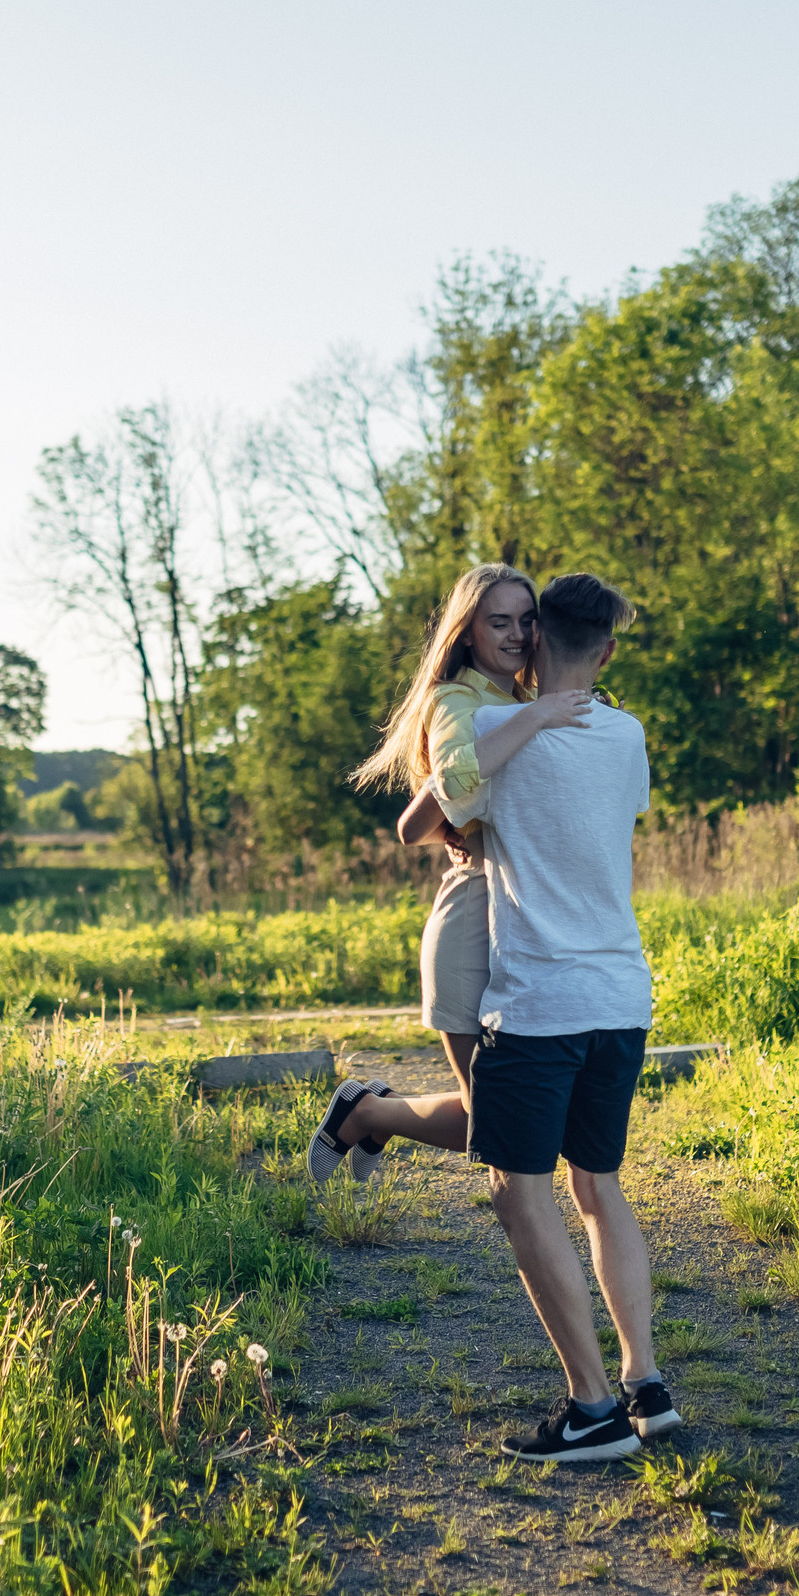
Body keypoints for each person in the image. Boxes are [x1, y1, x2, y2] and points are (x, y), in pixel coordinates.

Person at [422, 572, 680, 1461]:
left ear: (535, 642)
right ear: (606, 650)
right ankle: (646, 1379)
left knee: (516, 1190)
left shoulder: (491, 730)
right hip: (621, 998)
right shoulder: (629, 733)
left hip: (538, 1004)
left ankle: (592, 1409)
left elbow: (441, 808)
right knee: (598, 1185)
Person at [310, 564, 593, 1183]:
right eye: (500, 622)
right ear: (467, 632)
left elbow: (435, 815)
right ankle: (363, 1114)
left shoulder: (524, 702)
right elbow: (455, 781)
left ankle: (368, 1113)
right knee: (495, 1121)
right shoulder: (456, 701)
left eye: (527, 621)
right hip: (470, 924)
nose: (517, 635)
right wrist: (538, 716)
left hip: (527, 928)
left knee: (512, 1116)